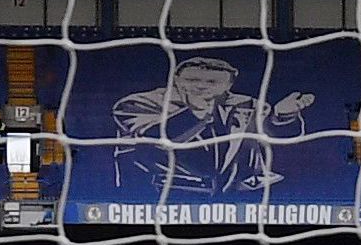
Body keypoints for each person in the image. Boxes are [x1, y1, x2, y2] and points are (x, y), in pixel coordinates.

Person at [111, 56, 313, 195]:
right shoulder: (137, 103)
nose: (200, 86)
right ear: (176, 80)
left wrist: (282, 118)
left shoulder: (248, 105)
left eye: (212, 82)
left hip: (237, 196)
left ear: (228, 85)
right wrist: (196, 113)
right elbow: (157, 139)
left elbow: (279, 139)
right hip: (164, 194)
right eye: (192, 79)